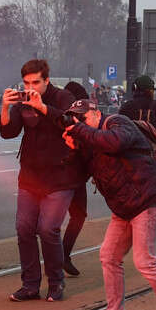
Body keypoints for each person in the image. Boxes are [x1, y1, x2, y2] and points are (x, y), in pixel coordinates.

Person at [60, 99, 156, 310]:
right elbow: (80, 174)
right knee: (109, 256)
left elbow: (115, 143)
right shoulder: (90, 139)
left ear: (96, 112)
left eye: (83, 116)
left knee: (145, 261)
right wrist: (73, 148)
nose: (80, 121)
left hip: (146, 200)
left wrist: (79, 130)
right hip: (124, 207)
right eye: (75, 118)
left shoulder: (117, 122)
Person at [0, 59, 83, 302]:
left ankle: (56, 283)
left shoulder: (62, 97)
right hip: (30, 177)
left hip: (60, 177)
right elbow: (8, 132)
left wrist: (43, 108)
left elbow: (71, 122)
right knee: (24, 229)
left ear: (47, 80)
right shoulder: (24, 101)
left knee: (48, 230)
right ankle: (30, 285)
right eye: (27, 82)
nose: (31, 87)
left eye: (36, 82)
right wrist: (5, 107)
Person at [61, 81, 93, 277]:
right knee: (78, 215)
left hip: (56, 173)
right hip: (73, 175)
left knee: (51, 220)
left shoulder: (54, 112)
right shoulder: (76, 119)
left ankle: (57, 258)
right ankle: (63, 255)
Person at [119, 75, 156, 139]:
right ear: (150, 91)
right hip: (154, 147)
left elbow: (120, 130)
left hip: (131, 146)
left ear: (135, 90)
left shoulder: (126, 107)